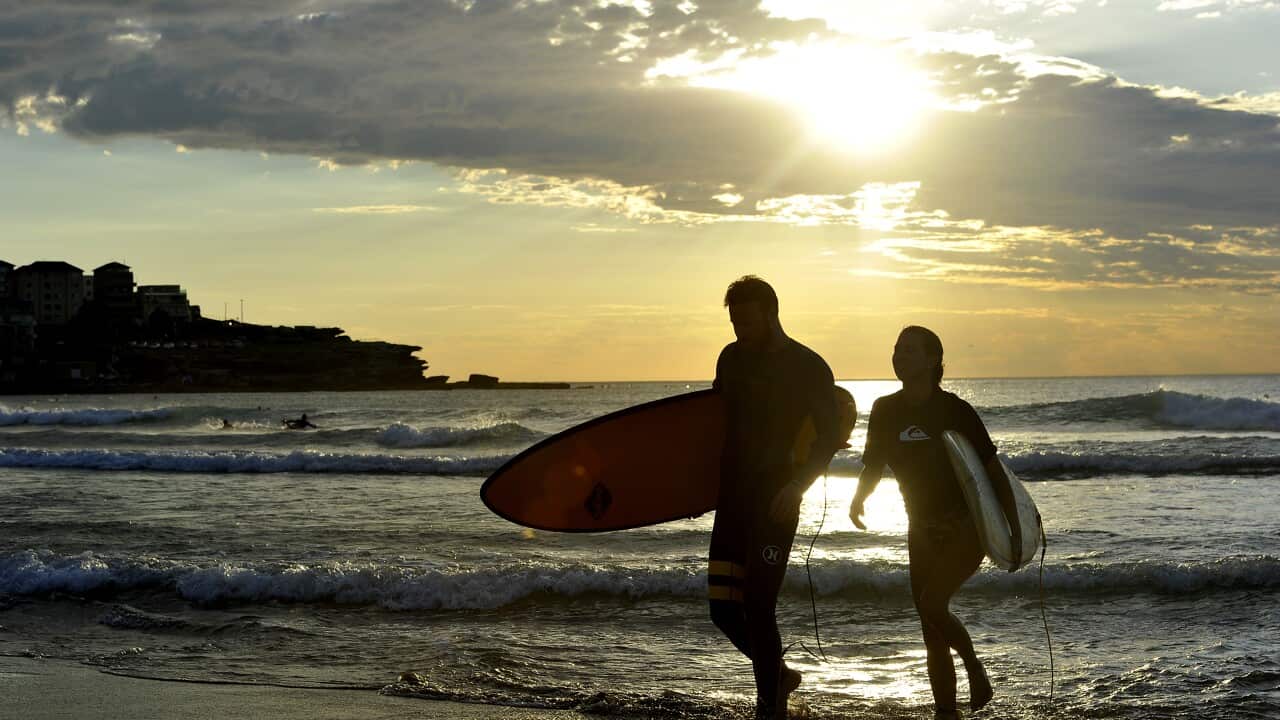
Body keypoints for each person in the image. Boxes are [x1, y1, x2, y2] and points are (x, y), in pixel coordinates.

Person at [848, 326, 1020, 719]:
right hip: (919, 527)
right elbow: (874, 463)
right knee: (931, 629)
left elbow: (993, 472)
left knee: (931, 604)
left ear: (932, 360)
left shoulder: (955, 410)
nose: (898, 356)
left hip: (964, 526)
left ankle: (974, 667)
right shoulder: (885, 409)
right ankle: (946, 712)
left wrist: (1011, 528)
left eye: (909, 350)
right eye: (896, 349)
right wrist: (860, 497)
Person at [709, 275, 843, 719]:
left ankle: (769, 707)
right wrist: (695, 488)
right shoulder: (730, 359)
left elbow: (828, 439)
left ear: (771, 312)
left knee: (758, 603)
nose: (739, 332)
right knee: (723, 611)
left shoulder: (808, 367)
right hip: (733, 499)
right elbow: (712, 428)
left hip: (776, 499)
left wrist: (797, 486)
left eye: (747, 322)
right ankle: (780, 675)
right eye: (734, 323)